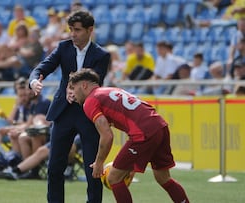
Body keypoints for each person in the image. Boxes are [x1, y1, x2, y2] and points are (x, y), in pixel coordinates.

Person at [68, 69, 190, 203]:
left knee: (114, 177)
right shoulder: (109, 90)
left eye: (73, 88)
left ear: (84, 85)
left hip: (144, 132)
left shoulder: (90, 101)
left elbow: (107, 135)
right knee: (163, 178)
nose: (72, 94)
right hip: (160, 126)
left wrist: (99, 162)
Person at [29, 10, 110, 203]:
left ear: (90, 30)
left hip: (89, 113)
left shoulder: (101, 55)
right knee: (55, 166)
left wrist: (74, 90)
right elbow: (43, 67)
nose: (72, 34)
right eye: (71, 29)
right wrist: (34, 81)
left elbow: (94, 82)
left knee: (93, 167)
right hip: (63, 112)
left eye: (77, 30)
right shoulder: (63, 47)